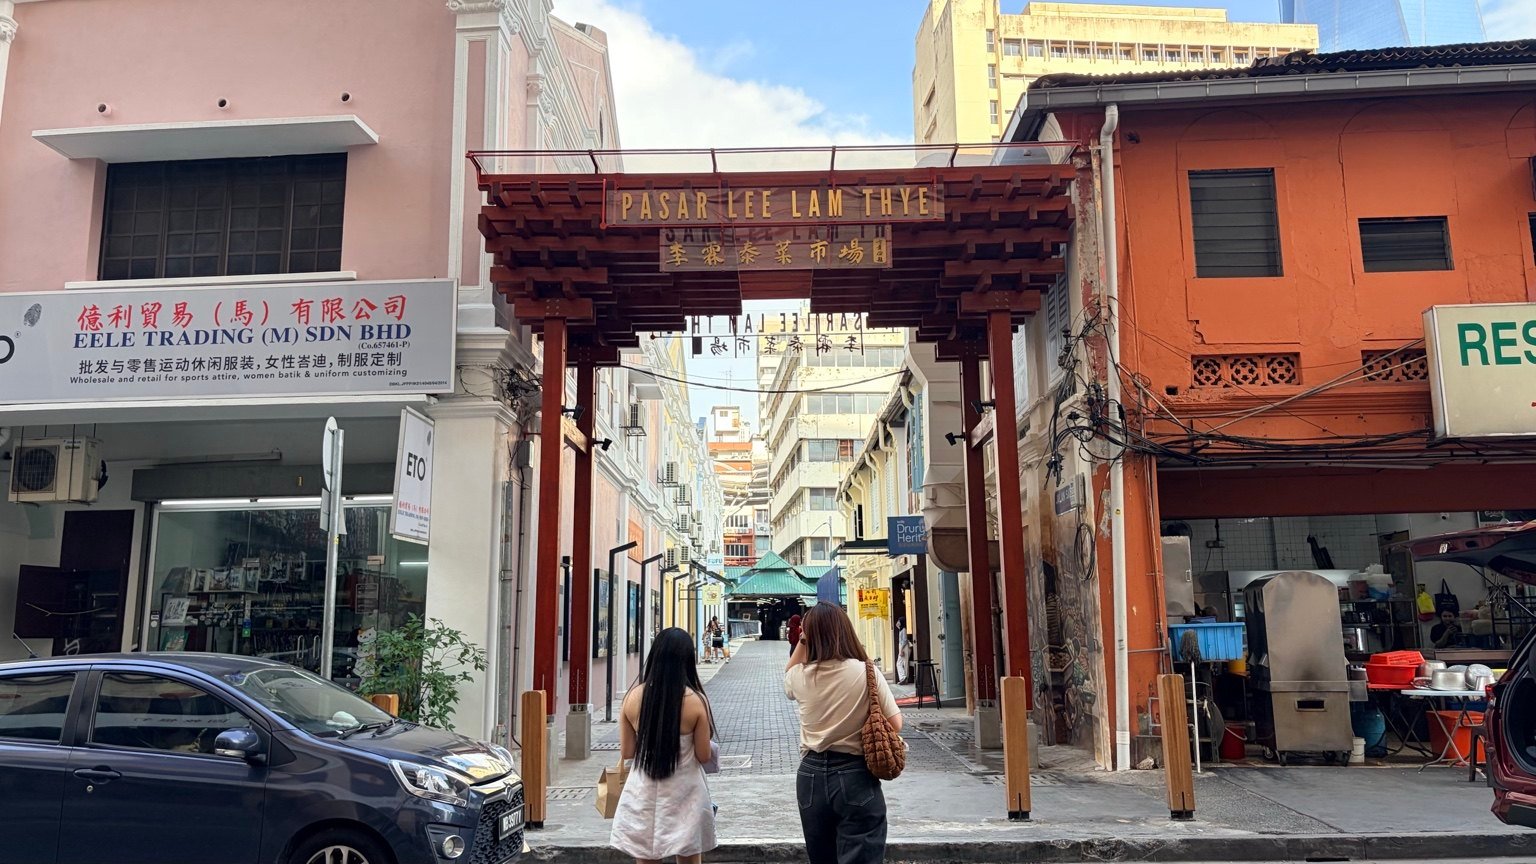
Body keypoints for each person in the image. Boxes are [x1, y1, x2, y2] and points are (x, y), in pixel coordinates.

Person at [785, 602, 902, 864]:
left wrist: (803, 639)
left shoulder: (800, 676)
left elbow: (788, 672)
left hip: (810, 776)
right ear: (844, 630)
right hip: (855, 773)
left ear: (808, 636)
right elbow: (895, 723)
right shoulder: (866, 671)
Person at [611, 627, 718, 864]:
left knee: (647, 855)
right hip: (686, 793)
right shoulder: (696, 701)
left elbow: (627, 752)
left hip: (644, 792)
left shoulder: (632, 698)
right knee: (689, 856)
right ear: (687, 660)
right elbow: (703, 755)